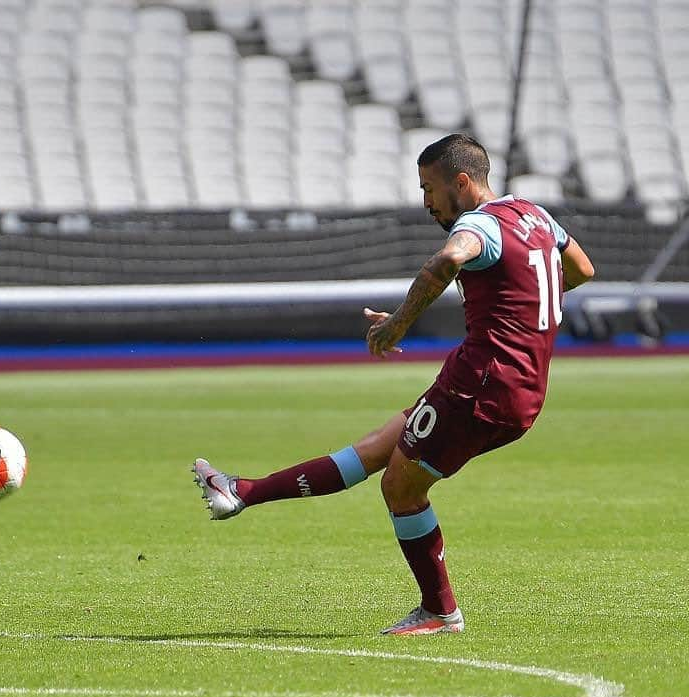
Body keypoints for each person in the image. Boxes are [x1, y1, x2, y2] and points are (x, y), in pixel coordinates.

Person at [192, 133, 596, 635]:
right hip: (517, 386)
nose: (426, 202)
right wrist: (526, 302)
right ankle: (240, 491)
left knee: (401, 488)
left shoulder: (479, 225)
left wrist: (398, 324)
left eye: (429, 188)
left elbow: (448, 260)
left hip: (482, 385)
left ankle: (440, 611)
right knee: (378, 448)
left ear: (462, 182)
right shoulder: (535, 215)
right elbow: (581, 268)